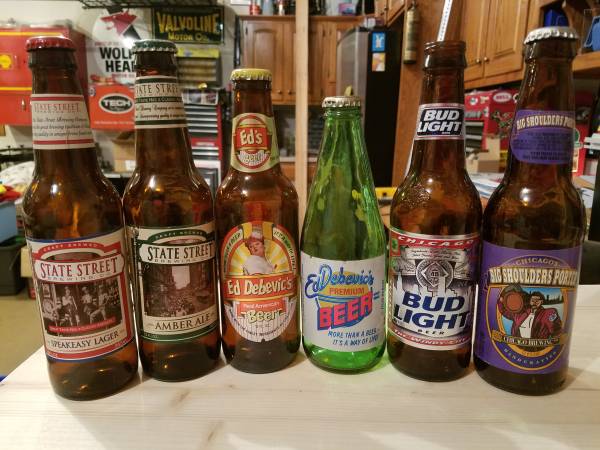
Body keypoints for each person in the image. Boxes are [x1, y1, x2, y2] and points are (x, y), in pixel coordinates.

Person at [498, 286, 563, 339]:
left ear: (542, 302)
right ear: (529, 301)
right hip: (519, 343)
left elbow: (556, 330)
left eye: (537, 300)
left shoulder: (547, 313)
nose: (534, 302)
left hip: (538, 346)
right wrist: (501, 301)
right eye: (533, 300)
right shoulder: (520, 313)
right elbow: (504, 312)